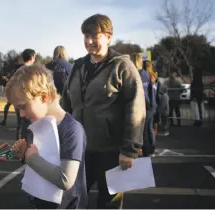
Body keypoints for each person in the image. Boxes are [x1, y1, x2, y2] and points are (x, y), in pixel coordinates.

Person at [61, 14, 146, 209]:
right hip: (79, 150)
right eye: (86, 36)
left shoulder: (122, 66)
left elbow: (136, 107)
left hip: (112, 152)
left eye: (95, 36)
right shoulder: (78, 67)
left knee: (109, 204)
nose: (89, 41)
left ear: (108, 37)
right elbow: (65, 104)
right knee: (70, 200)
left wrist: (129, 149)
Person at [8, 64, 87, 209]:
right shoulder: (36, 125)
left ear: (44, 97)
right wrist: (24, 153)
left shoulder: (71, 130)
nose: (21, 114)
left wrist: (32, 159)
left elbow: (65, 180)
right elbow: (39, 160)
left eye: (23, 107)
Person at [14, 49, 36, 140]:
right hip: (28, 103)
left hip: (19, 103)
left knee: (21, 126)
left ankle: (19, 148)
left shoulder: (18, 71)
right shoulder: (31, 71)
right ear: (32, 57)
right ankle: (26, 149)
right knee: (30, 129)